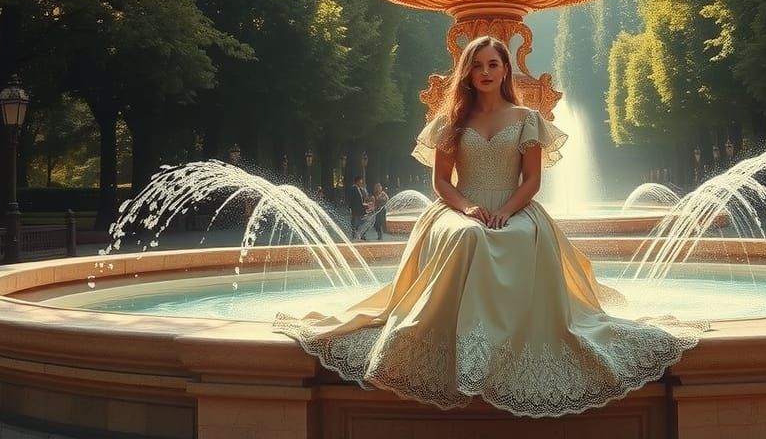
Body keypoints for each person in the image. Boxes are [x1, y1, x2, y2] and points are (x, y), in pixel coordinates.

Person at [275, 36, 706, 417]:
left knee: (515, 237)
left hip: (514, 206)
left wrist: (507, 210)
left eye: (493, 64)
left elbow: (533, 181)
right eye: (477, 64)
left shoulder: (526, 118)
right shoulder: (449, 123)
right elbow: (442, 181)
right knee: (468, 236)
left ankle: (503, 347)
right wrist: (466, 208)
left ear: (505, 70)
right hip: (457, 209)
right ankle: (454, 351)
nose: (485, 72)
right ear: (467, 71)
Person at [346, 175, 371, 240]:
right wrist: (350, 208)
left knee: (363, 222)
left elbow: (362, 199)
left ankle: (361, 234)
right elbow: (351, 199)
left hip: (361, 210)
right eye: (360, 181)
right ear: (357, 181)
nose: (361, 182)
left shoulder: (360, 189)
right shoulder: (353, 189)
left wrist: (365, 204)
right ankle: (355, 236)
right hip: (355, 210)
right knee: (355, 223)